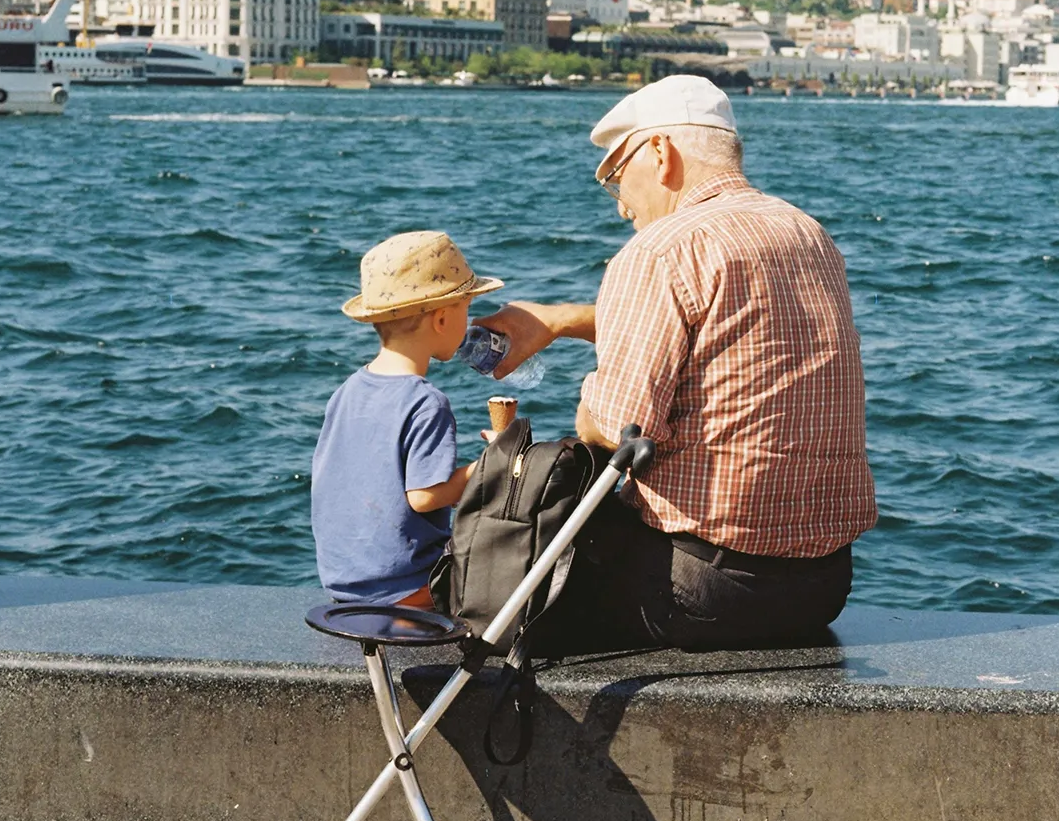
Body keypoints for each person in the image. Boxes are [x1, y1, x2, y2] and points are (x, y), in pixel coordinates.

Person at [476, 76, 876, 651]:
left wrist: (589, 404)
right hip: (824, 585)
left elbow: (617, 431)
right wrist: (563, 321)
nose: (620, 204)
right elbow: (724, 333)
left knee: (497, 545)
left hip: (702, 592)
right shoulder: (807, 234)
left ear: (660, 153)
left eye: (615, 176)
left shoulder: (661, 249)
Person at [312, 230, 502, 610]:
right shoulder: (426, 401)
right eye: (467, 307)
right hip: (407, 590)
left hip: (344, 584)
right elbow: (426, 495)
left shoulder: (347, 390)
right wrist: (493, 462)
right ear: (443, 318)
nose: (471, 319)